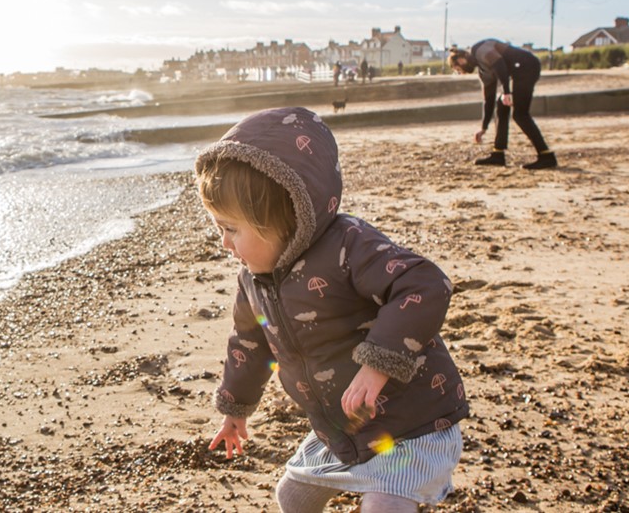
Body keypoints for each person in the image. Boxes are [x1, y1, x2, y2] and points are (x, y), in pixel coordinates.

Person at [195, 107, 469, 512]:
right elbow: (250, 344)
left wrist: (377, 365)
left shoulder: (347, 245)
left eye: (231, 229)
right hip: (341, 429)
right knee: (292, 496)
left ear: (286, 218)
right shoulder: (252, 280)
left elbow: (425, 284)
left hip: (413, 421)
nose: (224, 243)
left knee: (384, 504)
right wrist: (236, 409)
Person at [448, 40, 557, 169]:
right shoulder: (483, 72)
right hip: (518, 73)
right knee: (501, 107)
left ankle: (546, 156)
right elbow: (488, 100)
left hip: (528, 66)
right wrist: (483, 127)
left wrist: (506, 92)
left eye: (458, 69)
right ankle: (498, 154)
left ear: (461, 60)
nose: (462, 73)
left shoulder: (479, 50)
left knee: (520, 114)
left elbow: (499, 64)